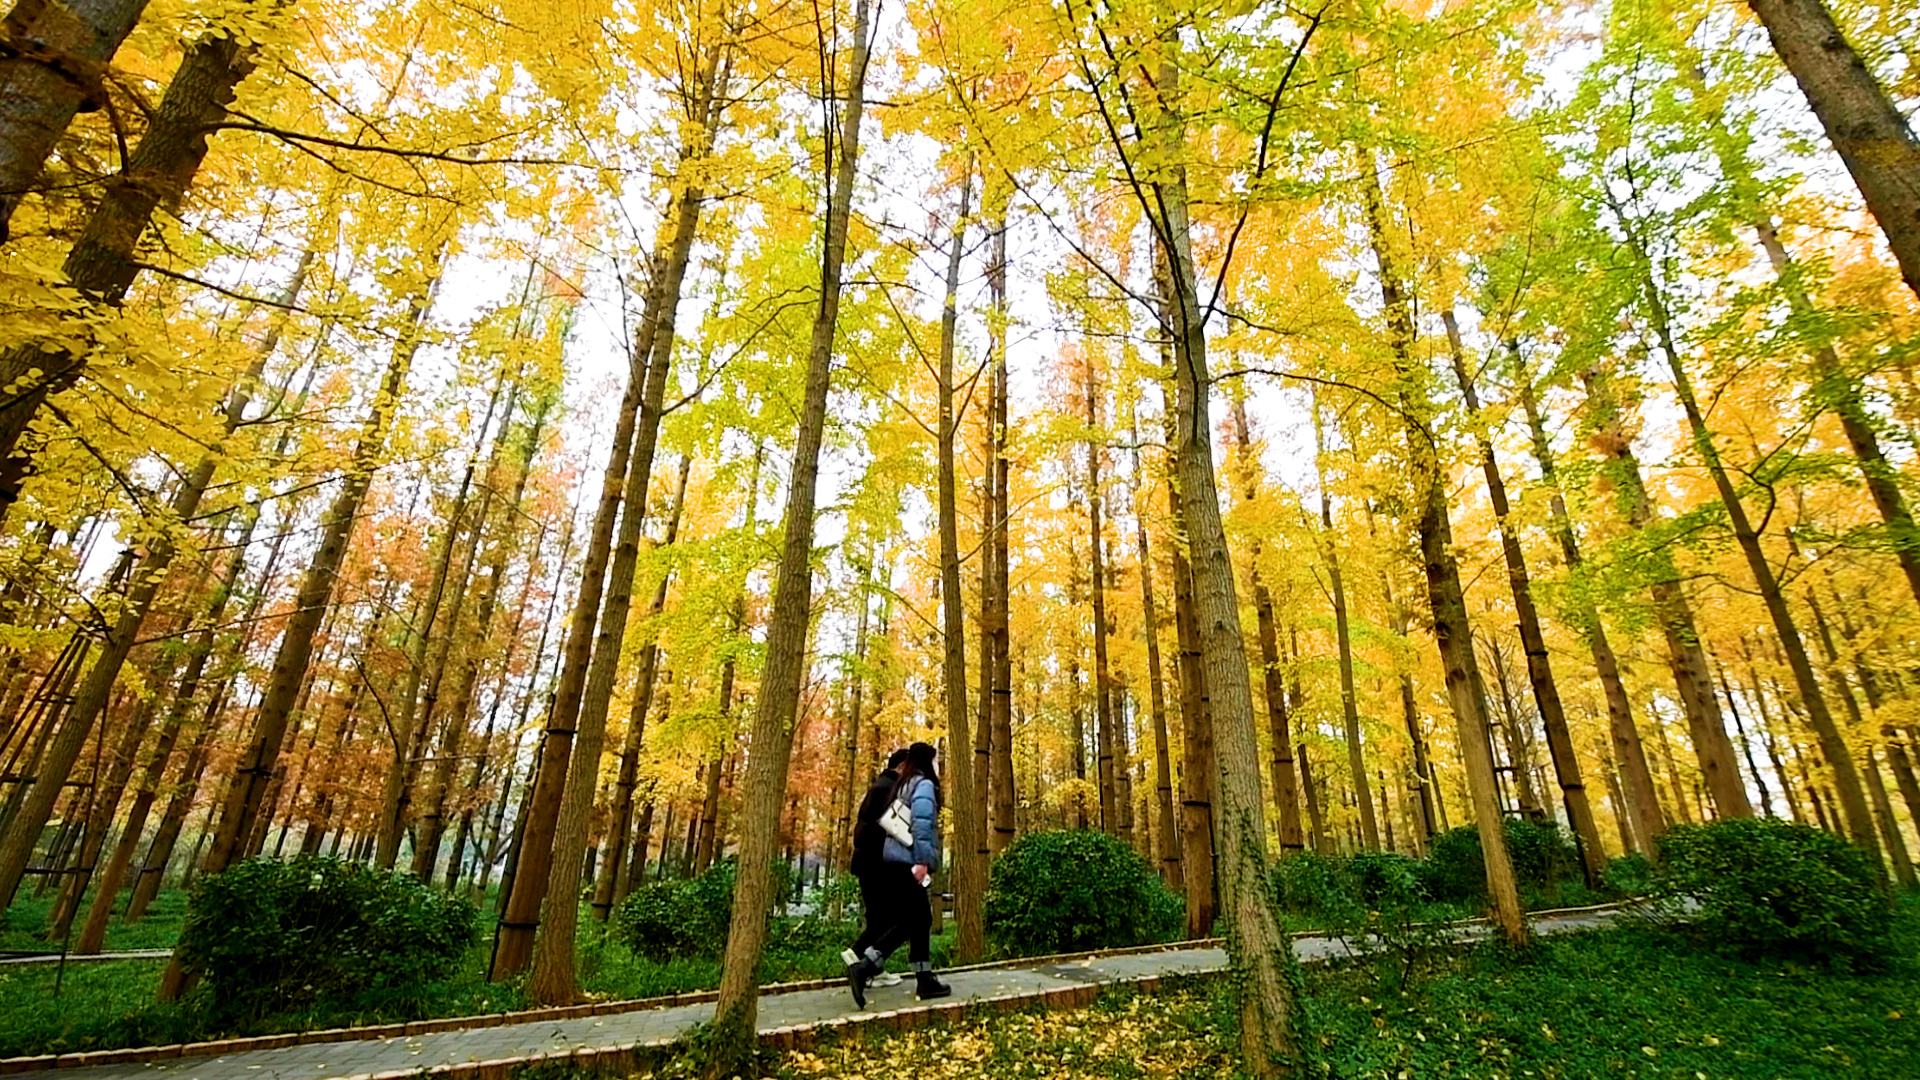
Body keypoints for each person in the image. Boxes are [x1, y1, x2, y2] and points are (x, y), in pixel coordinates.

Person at [847, 741, 950, 1005]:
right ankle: (865, 966)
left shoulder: (901, 784)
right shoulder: (923, 785)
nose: (937, 766)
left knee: (919, 919)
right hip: (909, 861)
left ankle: (924, 977)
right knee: (910, 920)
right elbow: (922, 823)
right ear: (928, 761)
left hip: (892, 859)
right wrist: (923, 861)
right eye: (936, 760)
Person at [842, 748, 910, 998]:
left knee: (879, 918)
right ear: (902, 766)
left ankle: (871, 970)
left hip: (867, 862)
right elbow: (895, 828)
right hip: (878, 864)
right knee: (892, 920)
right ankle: (856, 958)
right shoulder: (890, 788)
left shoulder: (879, 786)